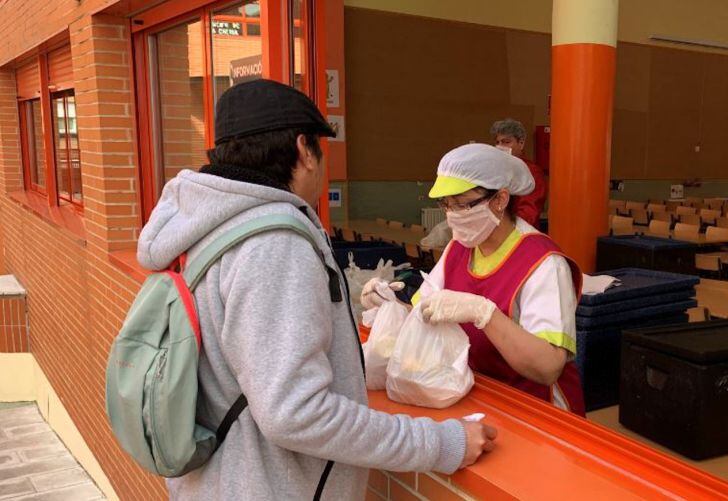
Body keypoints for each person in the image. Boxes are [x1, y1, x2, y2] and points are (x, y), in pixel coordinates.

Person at [136, 79, 495, 500]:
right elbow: (295, 412)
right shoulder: (274, 245)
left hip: (222, 479)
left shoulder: (205, 226)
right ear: (304, 150)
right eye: (321, 153)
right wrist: (441, 444)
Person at [362, 144, 586, 415]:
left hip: (538, 409)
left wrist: (484, 313)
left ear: (500, 199)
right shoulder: (459, 248)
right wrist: (390, 303)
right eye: (446, 205)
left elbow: (548, 367)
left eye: (462, 204)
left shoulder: (543, 263)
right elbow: (425, 310)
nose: (452, 215)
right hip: (482, 395)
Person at [491, 118, 547, 227]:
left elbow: (528, 212)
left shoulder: (531, 172)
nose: (500, 146)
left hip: (519, 234)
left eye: (506, 142)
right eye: (497, 142)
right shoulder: (496, 169)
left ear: (521, 143)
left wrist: (504, 229)